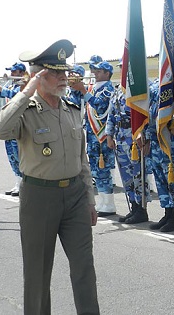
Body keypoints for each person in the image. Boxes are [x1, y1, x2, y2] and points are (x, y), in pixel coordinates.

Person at [0, 39, 100, 315]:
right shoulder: (25, 112)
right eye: (55, 72)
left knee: (84, 267)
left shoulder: (72, 111)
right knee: (38, 273)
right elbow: (0, 130)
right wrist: (27, 90)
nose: (64, 77)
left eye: (64, 71)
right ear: (38, 76)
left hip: (75, 197)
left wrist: (89, 199)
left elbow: (82, 160)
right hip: (39, 198)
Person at [104, 62, 151, 224]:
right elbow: (111, 114)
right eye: (122, 67)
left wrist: (146, 137)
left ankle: (141, 208)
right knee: (126, 176)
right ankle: (134, 207)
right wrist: (109, 135)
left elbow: (147, 116)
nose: (123, 71)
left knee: (138, 174)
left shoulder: (142, 89)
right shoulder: (118, 90)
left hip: (135, 138)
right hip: (121, 137)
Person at [73, 60, 116, 216]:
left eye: (99, 71)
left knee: (103, 170)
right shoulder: (94, 87)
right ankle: (103, 202)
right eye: (95, 71)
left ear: (107, 73)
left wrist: (84, 90)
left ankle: (109, 203)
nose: (95, 73)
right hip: (93, 135)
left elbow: (100, 105)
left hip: (102, 135)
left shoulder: (108, 89)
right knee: (96, 170)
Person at [147, 79, 174, 231]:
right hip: (156, 139)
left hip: (172, 141)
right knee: (161, 179)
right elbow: (149, 110)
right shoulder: (155, 85)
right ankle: (167, 213)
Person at [0, 62, 27, 197]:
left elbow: (16, 95)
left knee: (19, 155)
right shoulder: (10, 84)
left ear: (21, 73)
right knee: (12, 156)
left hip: (19, 125)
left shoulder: (25, 86)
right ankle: (18, 182)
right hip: (8, 125)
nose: (11, 74)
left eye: (14, 72)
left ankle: (25, 184)